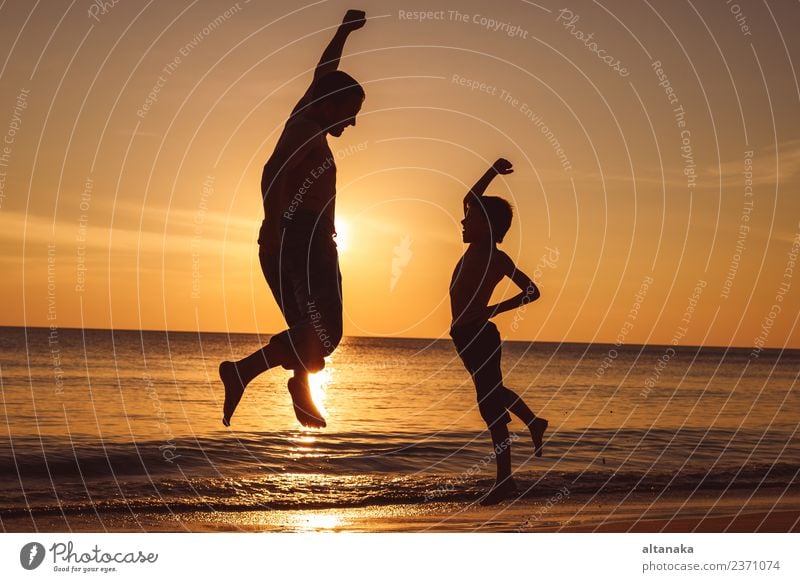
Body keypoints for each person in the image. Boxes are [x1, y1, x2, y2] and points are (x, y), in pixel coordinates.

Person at [220, 10, 367, 428]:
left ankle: (292, 384)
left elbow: (325, 72)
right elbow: (273, 172)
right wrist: (275, 225)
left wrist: (342, 33)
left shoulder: (305, 119)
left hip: (302, 238)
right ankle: (245, 371)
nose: (353, 121)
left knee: (311, 335)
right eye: (351, 110)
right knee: (324, 336)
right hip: (302, 239)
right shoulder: (305, 127)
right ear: (332, 104)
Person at [449, 158, 549, 505]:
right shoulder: (480, 250)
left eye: (471, 219)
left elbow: (532, 291)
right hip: (466, 335)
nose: (463, 221)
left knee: (489, 403)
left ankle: (505, 481)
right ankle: (534, 423)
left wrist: (493, 310)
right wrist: (491, 170)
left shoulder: (494, 256)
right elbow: (469, 197)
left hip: (478, 335)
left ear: (488, 227)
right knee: (492, 393)